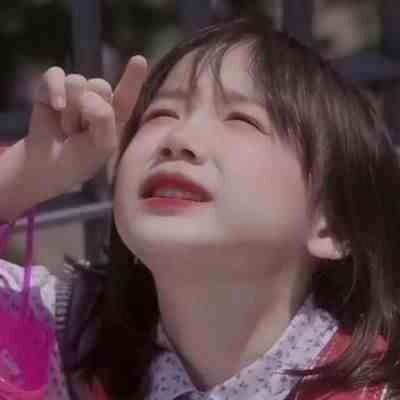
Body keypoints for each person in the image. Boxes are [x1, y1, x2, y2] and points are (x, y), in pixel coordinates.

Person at [0, 16, 400, 400]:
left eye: (242, 119)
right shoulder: (72, 343)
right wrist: (22, 175)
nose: (179, 138)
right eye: (161, 114)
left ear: (332, 225)